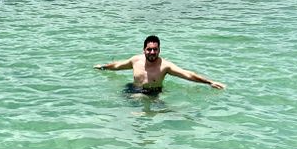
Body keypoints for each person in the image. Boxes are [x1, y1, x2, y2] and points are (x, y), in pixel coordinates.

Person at [95, 35, 225, 94]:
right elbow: (117, 66)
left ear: (159, 50)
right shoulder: (136, 60)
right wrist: (103, 67)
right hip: (133, 90)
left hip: (154, 93)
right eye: (149, 49)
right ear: (144, 50)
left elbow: (188, 74)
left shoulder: (165, 66)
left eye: (155, 49)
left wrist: (209, 82)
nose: (152, 52)